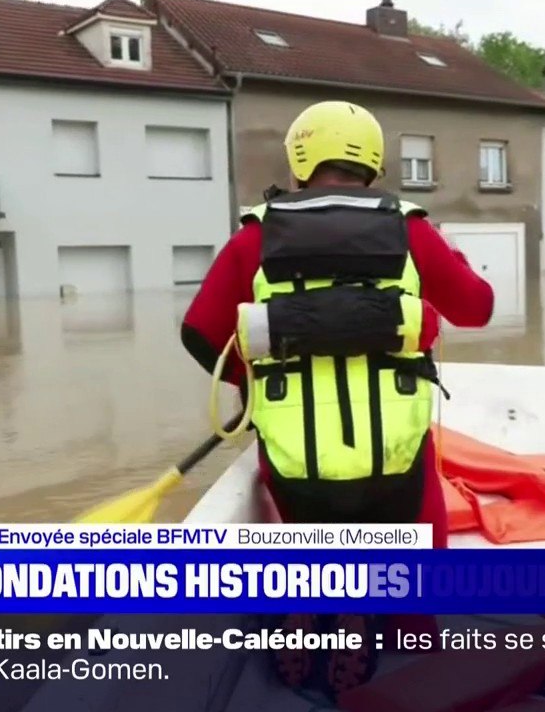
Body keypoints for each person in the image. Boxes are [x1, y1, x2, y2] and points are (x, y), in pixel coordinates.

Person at [181, 100, 494, 692]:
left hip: (297, 459)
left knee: (310, 525)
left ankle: (314, 607)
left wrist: (251, 387)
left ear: (300, 158)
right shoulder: (411, 228)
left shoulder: (255, 235)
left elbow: (200, 333)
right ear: (373, 161)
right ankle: (396, 618)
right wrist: (445, 253)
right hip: (393, 455)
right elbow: (477, 308)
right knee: (415, 551)